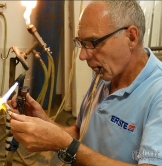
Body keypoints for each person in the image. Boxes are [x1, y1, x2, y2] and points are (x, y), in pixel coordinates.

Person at [8, 1, 162, 165]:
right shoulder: (104, 74)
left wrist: (65, 145)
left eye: (93, 43)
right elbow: (80, 133)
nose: (82, 56)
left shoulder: (156, 93)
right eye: (81, 43)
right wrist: (45, 124)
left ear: (131, 37)